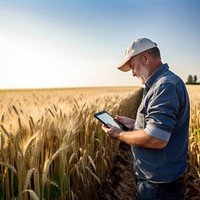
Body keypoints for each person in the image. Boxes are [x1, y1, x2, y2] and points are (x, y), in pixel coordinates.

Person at [101, 38, 190, 200]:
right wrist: (135, 124)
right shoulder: (159, 84)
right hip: (156, 181)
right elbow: (162, 127)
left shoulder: (165, 86)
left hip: (159, 187)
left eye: (132, 67)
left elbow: (156, 138)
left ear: (145, 58)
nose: (133, 73)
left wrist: (119, 135)